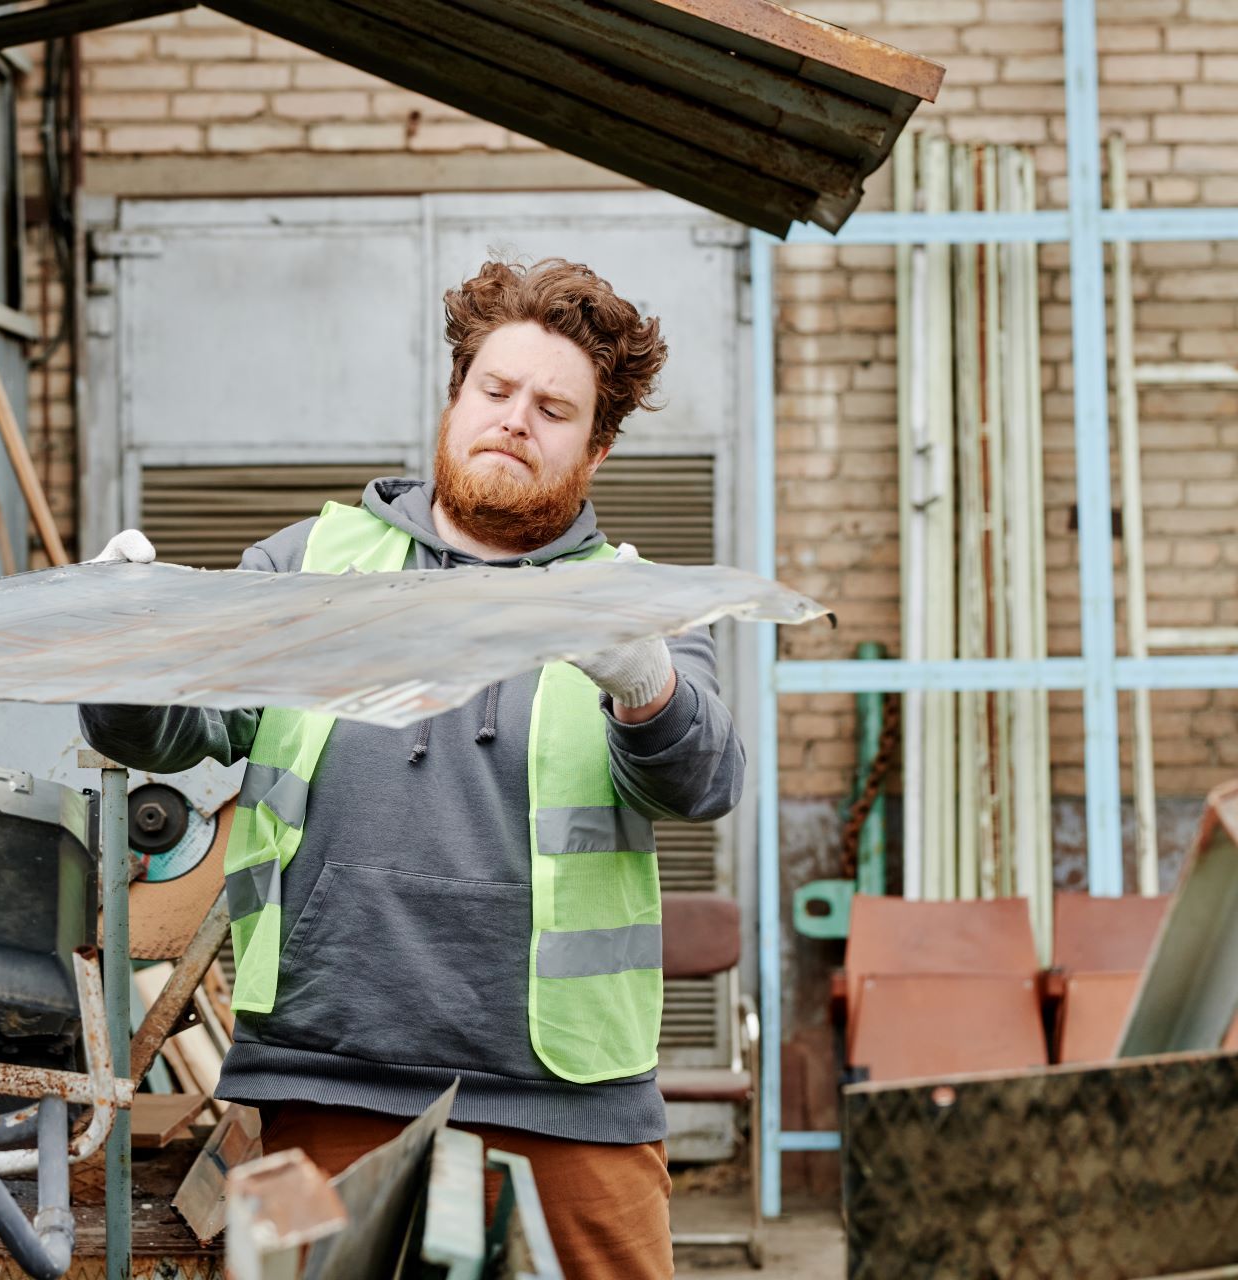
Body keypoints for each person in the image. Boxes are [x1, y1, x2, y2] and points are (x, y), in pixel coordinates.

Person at [81, 258, 743, 1278]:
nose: (516, 419)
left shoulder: (634, 601)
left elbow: (703, 779)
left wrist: (646, 682)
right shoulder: (306, 569)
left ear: (596, 447)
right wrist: (127, 655)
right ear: (455, 397)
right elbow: (171, 731)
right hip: (331, 1072)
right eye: (496, 389)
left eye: (554, 407)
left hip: (569, 1097)